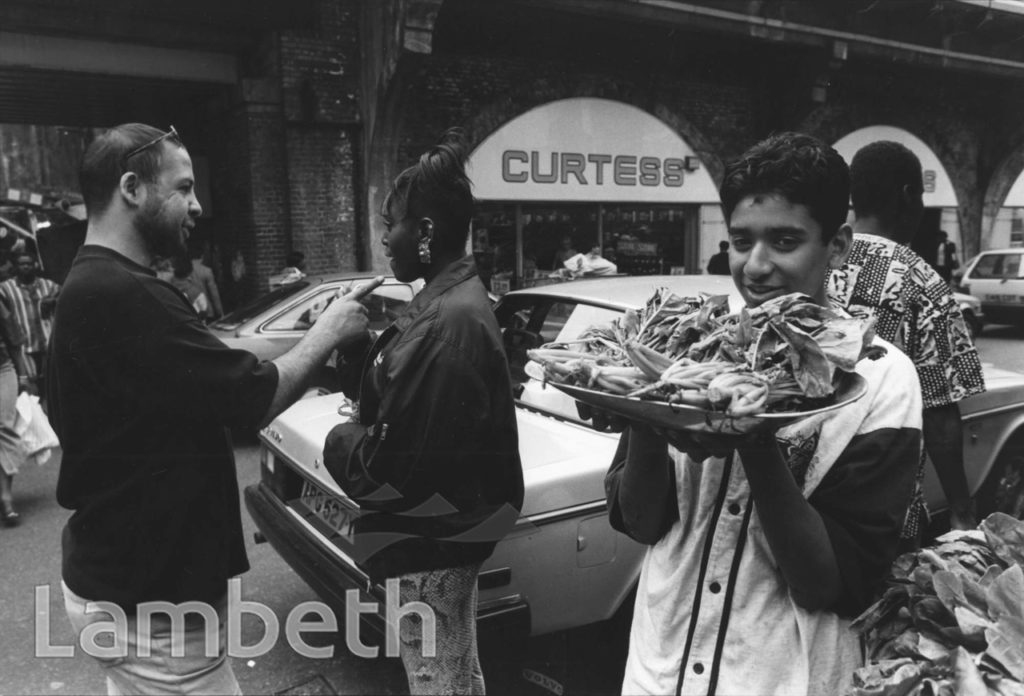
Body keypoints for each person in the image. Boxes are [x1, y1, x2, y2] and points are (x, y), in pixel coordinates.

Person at [48, 122, 380, 695]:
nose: (197, 205)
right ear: (131, 188)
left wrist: (292, 339)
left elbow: (198, 358)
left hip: (116, 586)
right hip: (155, 611)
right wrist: (326, 332)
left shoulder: (93, 285)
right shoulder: (128, 296)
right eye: (183, 188)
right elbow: (253, 398)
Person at [592, 133, 922, 695]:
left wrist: (756, 436)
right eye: (741, 241)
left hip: (781, 677)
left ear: (837, 245)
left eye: (786, 241)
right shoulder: (688, 346)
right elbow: (643, 524)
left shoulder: (880, 378)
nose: (756, 266)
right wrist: (645, 407)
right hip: (660, 667)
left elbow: (826, 583)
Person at [322, 128, 524, 695]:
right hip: (443, 533)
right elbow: (400, 404)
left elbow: (392, 468)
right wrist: (357, 347)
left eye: (392, 225)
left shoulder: (446, 322)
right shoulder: (446, 302)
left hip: (431, 539)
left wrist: (339, 440)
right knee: (457, 672)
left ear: (426, 231)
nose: (385, 240)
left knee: (439, 679)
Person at [829, 140, 985, 533]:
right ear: (908, 195)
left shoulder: (816, 257)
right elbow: (940, 412)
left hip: (796, 492)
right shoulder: (923, 283)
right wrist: (961, 510)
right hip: (882, 509)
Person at [0, 252, 60, 392]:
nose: (26, 267)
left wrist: (55, 301)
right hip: (23, 348)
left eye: (29, 263)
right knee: (31, 392)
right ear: (16, 267)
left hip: (48, 345)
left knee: (52, 386)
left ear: (35, 265)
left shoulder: (48, 285)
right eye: (22, 264)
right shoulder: (5, 289)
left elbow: (67, 298)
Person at [0, 293, 34, 526]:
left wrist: (23, 375)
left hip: (2, 369)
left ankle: (6, 499)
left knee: (3, 428)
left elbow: (13, 339)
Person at [188, 238, 223, 318]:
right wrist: (220, 312)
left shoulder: (185, 270)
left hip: (193, 313)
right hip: (207, 312)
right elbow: (214, 295)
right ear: (202, 254)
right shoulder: (206, 271)